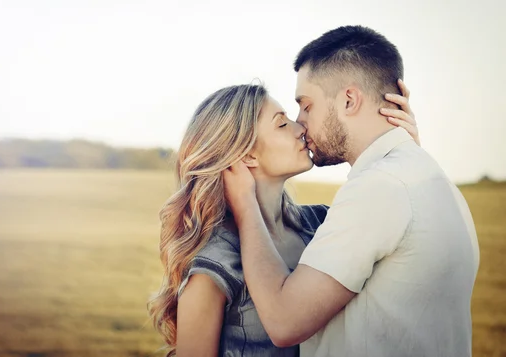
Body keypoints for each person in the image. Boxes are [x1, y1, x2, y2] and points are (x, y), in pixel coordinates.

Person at [222, 26, 480, 357]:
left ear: (348, 100)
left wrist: (245, 206)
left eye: (307, 106)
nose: (301, 123)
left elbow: (284, 322)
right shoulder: (425, 175)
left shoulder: (381, 186)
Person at [148, 78, 418, 355]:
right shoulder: (214, 263)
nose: (301, 128)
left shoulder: (323, 223)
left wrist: (402, 147)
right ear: (248, 155)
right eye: (281, 123)